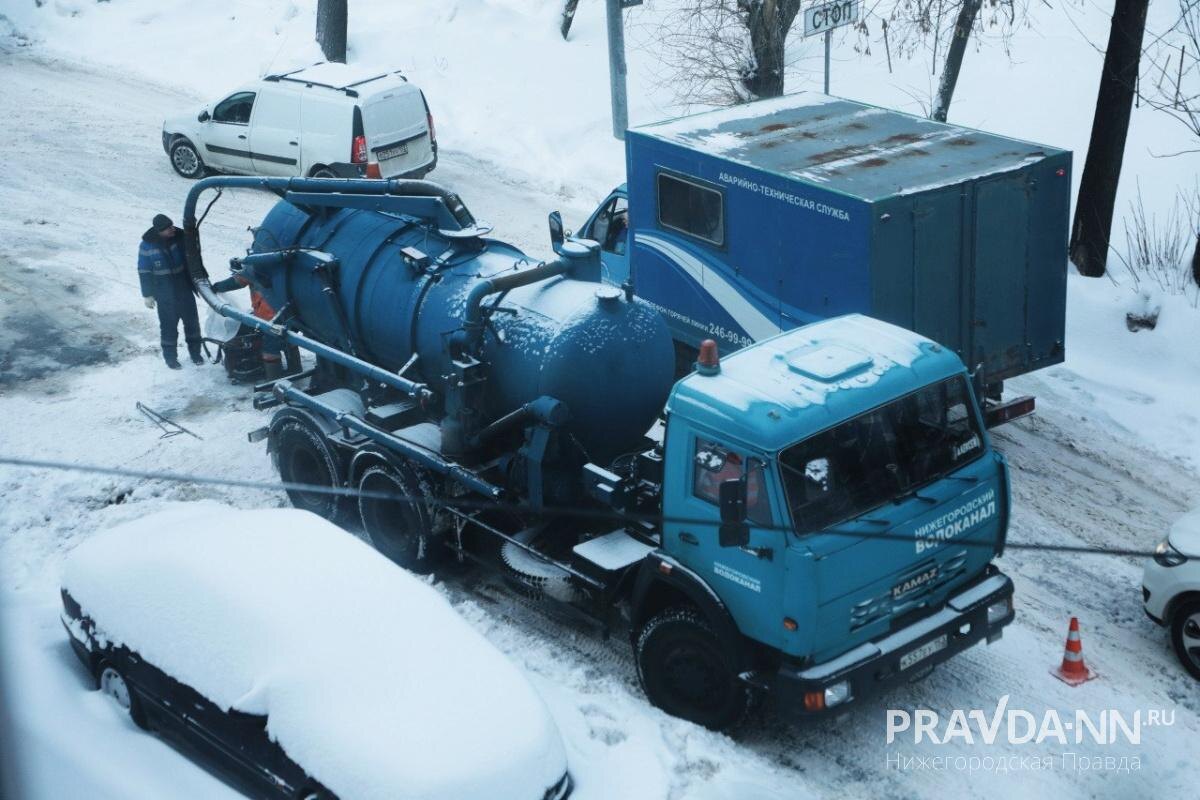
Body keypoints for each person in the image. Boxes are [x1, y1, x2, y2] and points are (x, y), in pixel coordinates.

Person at [138, 214, 202, 369]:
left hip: (183, 287)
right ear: (159, 231)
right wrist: (147, 294)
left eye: (172, 226)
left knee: (192, 324)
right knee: (168, 327)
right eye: (168, 228)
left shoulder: (179, 236)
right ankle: (171, 358)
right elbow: (144, 270)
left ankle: (196, 353)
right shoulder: (147, 245)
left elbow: (194, 256)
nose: (173, 229)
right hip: (164, 292)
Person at [210, 271, 295, 380]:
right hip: (290, 312)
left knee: (270, 348)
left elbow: (238, 281)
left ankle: (275, 381)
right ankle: (295, 368)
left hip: (270, 315)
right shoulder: (284, 260)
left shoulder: (256, 264)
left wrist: (217, 287)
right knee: (290, 339)